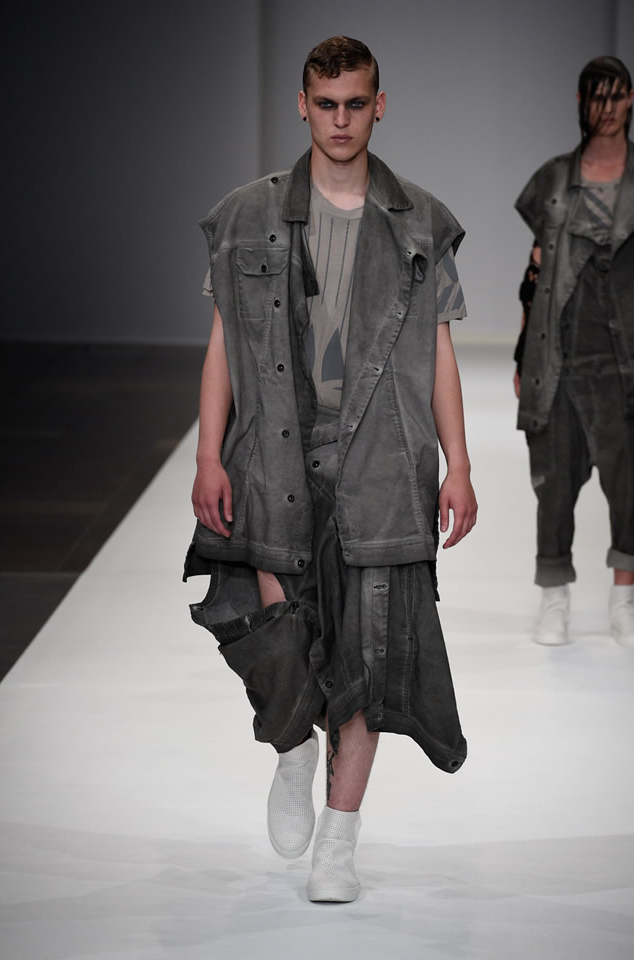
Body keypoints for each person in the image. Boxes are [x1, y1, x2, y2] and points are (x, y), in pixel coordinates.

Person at [185, 36, 477, 902]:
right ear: (303, 105)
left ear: (378, 106)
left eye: (355, 104)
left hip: (382, 455)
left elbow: (439, 350)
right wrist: (207, 452)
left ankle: (339, 842)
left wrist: (459, 464)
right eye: (326, 104)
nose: (340, 120)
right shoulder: (247, 215)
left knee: (368, 654)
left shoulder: (420, 222)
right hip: (274, 448)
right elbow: (222, 345)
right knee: (278, 636)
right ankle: (291, 746)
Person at [513, 56, 634, 647]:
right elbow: (535, 274)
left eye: (616, 96)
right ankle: (554, 595)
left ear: (630, 99)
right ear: (581, 102)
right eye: (596, 97)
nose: (606, 109)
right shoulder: (554, 181)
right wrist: (522, 354)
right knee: (554, 483)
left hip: (626, 363)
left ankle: (624, 598)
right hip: (560, 355)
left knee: (630, 483)